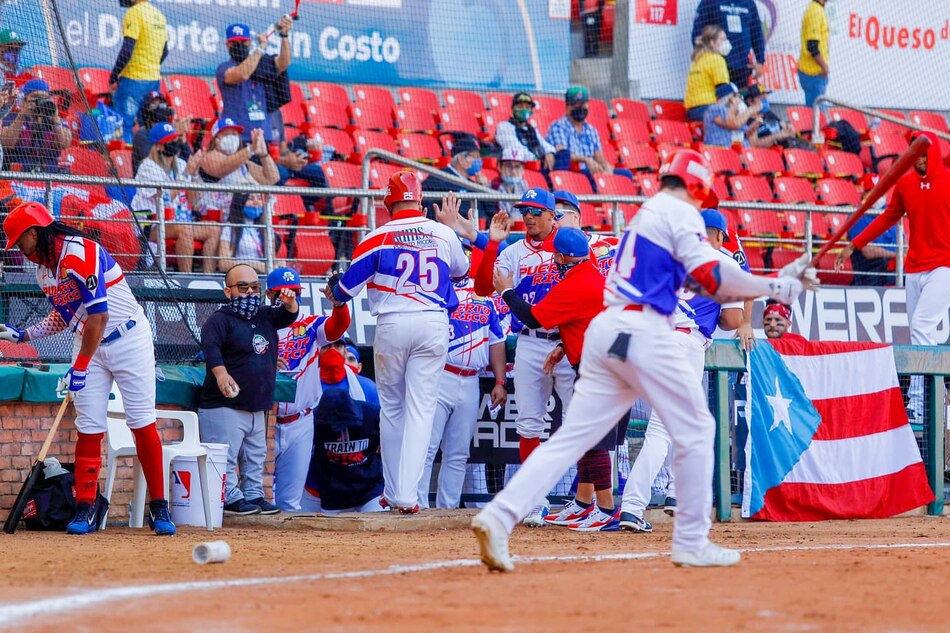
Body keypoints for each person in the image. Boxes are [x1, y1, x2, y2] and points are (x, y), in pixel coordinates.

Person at [471, 148, 817, 572]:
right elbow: (714, 277)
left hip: (606, 333)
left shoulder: (648, 217)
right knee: (694, 426)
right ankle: (690, 540)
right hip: (644, 332)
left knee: (574, 436)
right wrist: (778, 285)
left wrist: (774, 283)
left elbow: (707, 281)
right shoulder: (678, 216)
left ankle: (499, 515)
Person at [0, 202, 176, 535]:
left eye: (19, 243)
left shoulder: (81, 253)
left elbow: (99, 317)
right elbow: (65, 316)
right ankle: (85, 508)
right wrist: (25, 334)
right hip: (88, 343)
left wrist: (79, 366)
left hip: (128, 338)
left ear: (34, 234)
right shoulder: (43, 272)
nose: (19, 252)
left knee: (142, 422)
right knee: (89, 426)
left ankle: (159, 508)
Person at [328, 174, 469, 513]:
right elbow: (462, 273)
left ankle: (394, 492)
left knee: (392, 409)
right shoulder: (443, 232)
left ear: (388, 203)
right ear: (420, 202)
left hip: (392, 323)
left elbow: (343, 291)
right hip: (433, 322)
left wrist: (332, 290)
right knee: (421, 409)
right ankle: (407, 494)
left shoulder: (376, 237)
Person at [618, 208, 747, 534]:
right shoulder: (725, 264)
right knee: (664, 430)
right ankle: (636, 506)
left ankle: (675, 495)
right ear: (717, 236)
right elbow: (730, 322)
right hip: (683, 346)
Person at [494, 226, 625, 531]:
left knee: (594, 440)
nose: (553, 258)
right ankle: (582, 503)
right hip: (602, 359)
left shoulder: (578, 282)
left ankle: (605, 510)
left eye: (557, 254)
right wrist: (563, 346)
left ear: (566, 256)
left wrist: (507, 291)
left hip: (601, 368)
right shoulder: (589, 268)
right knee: (585, 435)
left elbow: (533, 317)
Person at [470, 188, 576, 527]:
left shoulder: (571, 245)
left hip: (567, 339)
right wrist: (490, 244)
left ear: (551, 215)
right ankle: (534, 499)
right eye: (524, 210)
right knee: (528, 423)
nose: (528, 217)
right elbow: (484, 288)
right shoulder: (514, 251)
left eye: (534, 211)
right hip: (530, 341)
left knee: (580, 423)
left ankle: (584, 499)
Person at [836, 130, 950, 422]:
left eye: (923, 154)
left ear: (933, 153)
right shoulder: (906, 184)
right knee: (917, 333)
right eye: (915, 154)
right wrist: (854, 244)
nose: (919, 160)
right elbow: (888, 217)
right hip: (914, 268)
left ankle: (920, 403)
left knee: (922, 327)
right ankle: (928, 398)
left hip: (944, 267)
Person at [198, 262, 298, 515]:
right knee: (227, 456)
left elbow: (288, 315)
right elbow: (211, 349)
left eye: (255, 287)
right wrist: (220, 373)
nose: (250, 293)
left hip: (257, 404)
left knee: (255, 455)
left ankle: (253, 494)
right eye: (243, 287)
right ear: (228, 291)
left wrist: (289, 302)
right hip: (225, 404)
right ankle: (229, 496)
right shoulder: (218, 320)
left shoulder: (264, 315)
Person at [418, 275, 507, 509]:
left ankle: (446, 508)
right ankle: (417, 505)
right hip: (441, 374)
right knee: (426, 447)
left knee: (458, 452)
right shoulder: (436, 289)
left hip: (471, 380)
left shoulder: (485, 296)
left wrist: (500, 380)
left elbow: (496, 341)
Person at [269, 266, 351, 511]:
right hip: (265, 423)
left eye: (293, 291)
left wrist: (338, 304)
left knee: (289, 502)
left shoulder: (311, 324)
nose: (288, 295)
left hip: (300, 421)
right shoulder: (259, 326)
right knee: (260, 498)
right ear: (268, 294)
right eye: (281, 292)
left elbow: (338, 327)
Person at [299, 338, 385, 514]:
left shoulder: (367, 387)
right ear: (316, 350)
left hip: (365, 483)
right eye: (326, 346)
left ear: (345, 351)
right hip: (317, 484)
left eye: (338, 346)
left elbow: (385, 434)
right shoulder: (302, 384)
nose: (332, 350)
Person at [131, 122, 218, 273]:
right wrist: (186, 174)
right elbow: (166, 197)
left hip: (178, 221)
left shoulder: (181, 163)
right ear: (159, 146)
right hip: (151, 226)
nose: (175, 144)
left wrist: (195, 173)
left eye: (176, 139)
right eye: (170, 141)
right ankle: (187, 278)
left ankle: (208, 278)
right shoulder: (147, 167)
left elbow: (193, 201)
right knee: (184, 229)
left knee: (214, 230)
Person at [199, 118, 280, 273]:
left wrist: (263, 154)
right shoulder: (210, 156)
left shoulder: (244, 164)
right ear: (216, 138)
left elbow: (272, 178)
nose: (233, 137)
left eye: (235, 134)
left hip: (246, 218)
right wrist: (250, 150)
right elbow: (222, 168)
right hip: (222, 220)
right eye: (228, 134)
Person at [216, 21, 290, 145]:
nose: (239, 45)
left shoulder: (260, 63)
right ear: (227, 45)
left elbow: (283, 63)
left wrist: (284, 36)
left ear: (249, 42)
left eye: (243, 42)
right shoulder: (224, 68)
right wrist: (260, 48)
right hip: (237, 138)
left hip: (262, 135)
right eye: (234, 42)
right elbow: (242, 74)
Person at [110, 0, 168, 144]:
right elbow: (165, 51)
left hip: (133, 80)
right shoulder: (159, 15)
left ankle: (124, 164)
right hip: (154, 81)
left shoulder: (134, 13)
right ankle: (146, 163)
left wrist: (114, 75)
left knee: (124, 126)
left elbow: (127, 50)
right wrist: (151, 66)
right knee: (148, 125)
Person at [0, 79, 72, 172]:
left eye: (44, 97)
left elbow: (63, 144)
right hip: (19, 173)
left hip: (50, 173)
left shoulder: (54, 121)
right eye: (35, 98)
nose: (40, 102)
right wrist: (22, 116)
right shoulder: (11, 117)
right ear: (25, 100)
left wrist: (55, 119)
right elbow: (7, 143)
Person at [691, 0, 766, 88]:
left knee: (738, 100)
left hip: (742, 67)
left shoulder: (749, 3)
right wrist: (705, 58)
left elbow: (757, 33)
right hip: (715, 66)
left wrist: (760, 61)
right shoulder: (709, 2)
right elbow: (697, 34)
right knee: (719, 99)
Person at [546, 86, 617, 178]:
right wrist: (585, 159)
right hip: (573, 172)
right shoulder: (558, 126)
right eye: (576, 105)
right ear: (568, 107)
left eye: (583, 104)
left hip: (592, 171)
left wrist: (606, 167)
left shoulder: (591, 130)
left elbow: (598, 155)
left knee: (625, 175)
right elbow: (562, 154)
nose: (580, 108)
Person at [552, 189, 618, 275]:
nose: (551, 221)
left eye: (556, 215)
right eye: (548, 216)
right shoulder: (537, 253)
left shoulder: (613, 244)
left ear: (575, 217)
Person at [422, 134, 488, 219]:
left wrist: (483, 188)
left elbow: (488, 214)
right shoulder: (440, 177)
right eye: (475, 157)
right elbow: (425, 199)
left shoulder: (474, 184)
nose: (479, 161)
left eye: (479, 157)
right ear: (461, 159)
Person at [131, 90, 192, 174]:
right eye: (153, 105)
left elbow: (188, 160)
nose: (159, 108)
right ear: (146, 110)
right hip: (148, 181)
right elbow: (157, 163)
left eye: (162, 105)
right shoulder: (142, 134)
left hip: (171, 179)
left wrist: (181, 138)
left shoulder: (170, 130)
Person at [494, 92, 556, 171]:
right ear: (513, 109)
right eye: (520, 107)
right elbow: (515, 148)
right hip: (520, 167)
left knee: (562, 155)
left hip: (539, 165)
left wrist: (550, 153)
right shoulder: (504, 126)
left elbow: (545, 144)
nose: (524, 110)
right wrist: (536, 159)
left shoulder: (531, 129)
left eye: (527, 107)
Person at [684, 26, 732, 122]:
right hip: (708, 109)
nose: (726, 42)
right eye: (723, 39)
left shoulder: (698, 59)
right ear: (712, 43)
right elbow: (723, 90)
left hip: (691, 111)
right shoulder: (717, 59)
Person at [846, 208, 897, 287]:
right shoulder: (857, 217)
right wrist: (897, 255)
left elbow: (904, 243)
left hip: (895, 268)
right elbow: (868, 251)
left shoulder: (891, 212)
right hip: (872, 273)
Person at [702, 82, 761, 148]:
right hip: (715, 150)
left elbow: (752, 144)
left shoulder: (737, 116)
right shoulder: (715, 109)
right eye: (737, 96)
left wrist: (753, 128)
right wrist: (751, 109)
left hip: (731, 152)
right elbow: (734, 124)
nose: (740, 99)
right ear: (729, 99)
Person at [743, 85, 796, 149]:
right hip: (767, 154)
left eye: (766, 98)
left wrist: (789, 126)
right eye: (762, 98)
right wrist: (776, 137)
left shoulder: (768, 113)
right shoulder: (748, 120)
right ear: (750, 101)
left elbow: (783, 125)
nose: (765, 101)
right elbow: (754, 144)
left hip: (785, 147)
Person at [798, 0, 830, 108]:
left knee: (816, 115)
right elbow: (812, 46)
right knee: (815, 116)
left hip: (815, 73)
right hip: (812, 73)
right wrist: (824, 67)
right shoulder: (815, 11)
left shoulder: (818, 9)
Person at [491, 147, 531, 218]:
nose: (513, 171)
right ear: (500, 167)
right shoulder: (494, 186)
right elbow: (504, 219)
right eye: (509, 166)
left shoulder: (523, 184)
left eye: (517, 167)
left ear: (523, 169)